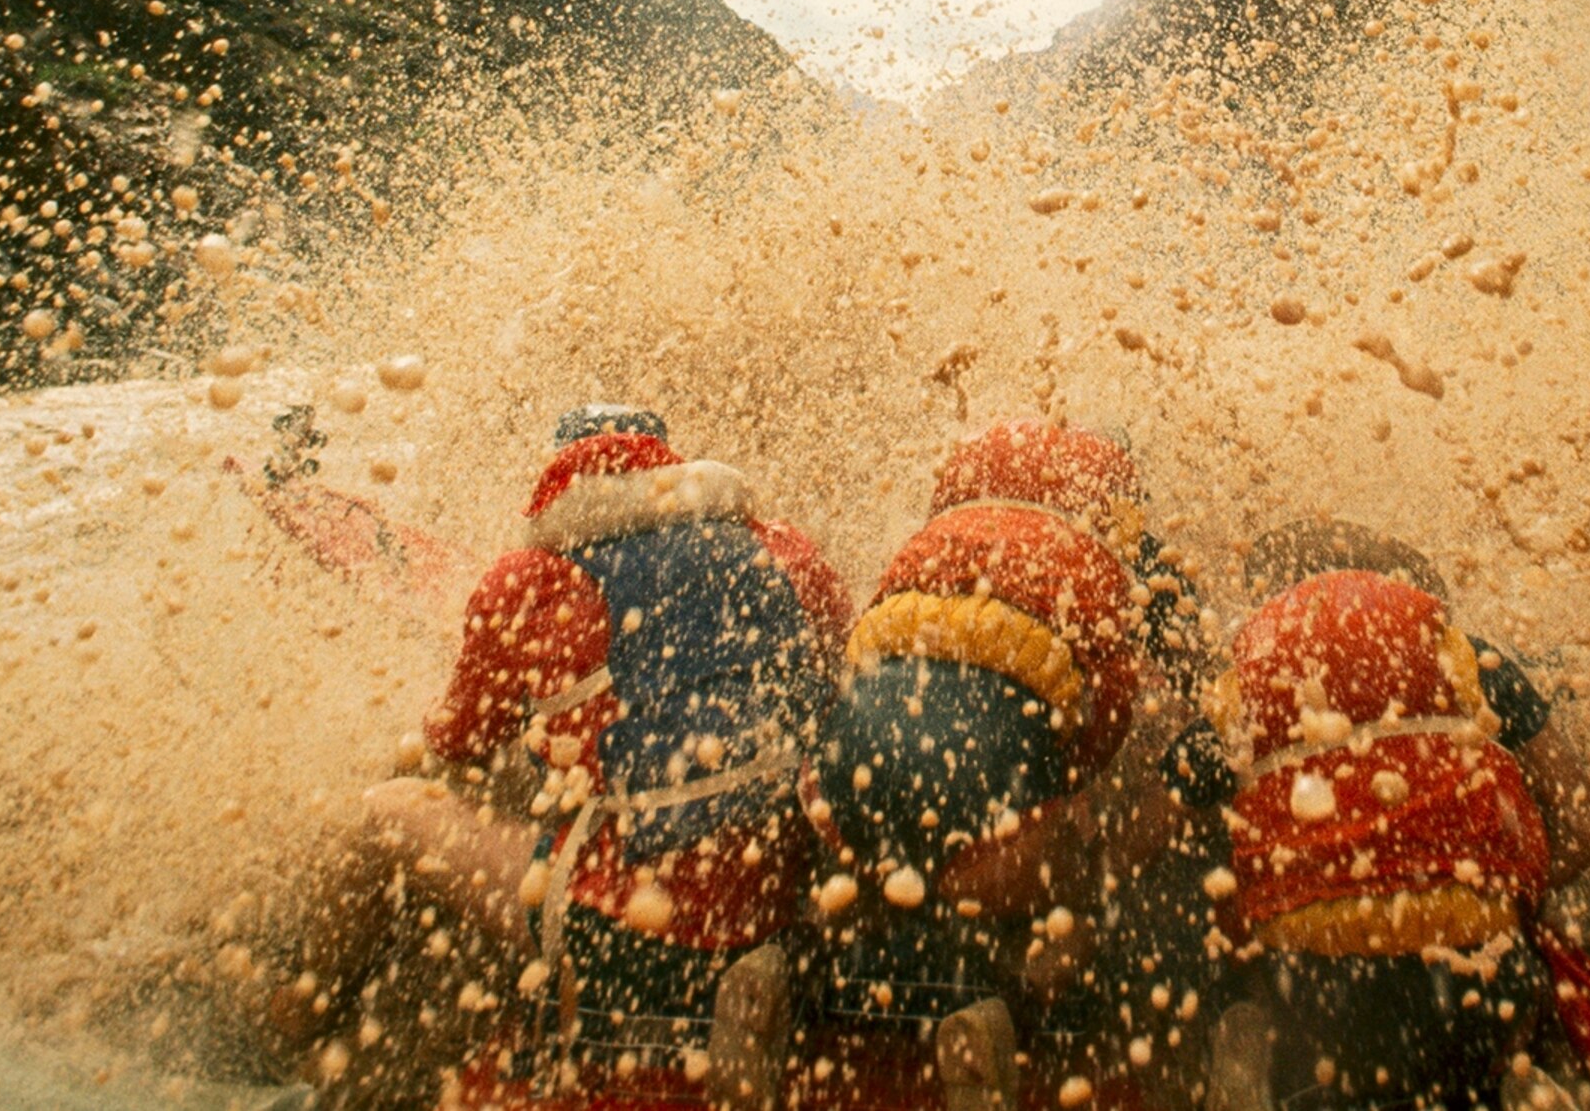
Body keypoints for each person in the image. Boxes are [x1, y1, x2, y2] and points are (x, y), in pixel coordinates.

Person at [264, 406, 850, 1111]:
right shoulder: (785, 548)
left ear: (557, 482)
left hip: (632, 921)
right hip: (780, 892)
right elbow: (837, 676)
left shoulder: (531, 580)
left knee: (392, 809)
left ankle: (297, 1018)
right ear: (669, 464)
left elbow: (457, 742)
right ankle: (753, 977)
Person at [788, 418, 1166, 1111]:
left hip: (847, 783)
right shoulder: (1101, 564)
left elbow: (854, 666)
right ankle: (1008, 1011)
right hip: (993, 825)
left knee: (867, 859)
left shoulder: (928, 541)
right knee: (1081, 877)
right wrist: (1064, 791)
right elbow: (1109, 712)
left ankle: (791, 974)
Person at [1191, 522, 1590, 1111]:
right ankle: (1528, 1074)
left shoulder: (1247, 686)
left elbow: (1147, 832)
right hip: (1482, 990)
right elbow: (1589, 826)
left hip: (1321, 1000)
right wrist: (1514, 894)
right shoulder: (1471, 658)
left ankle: (1241, 1035)